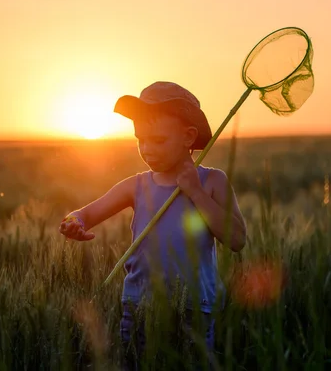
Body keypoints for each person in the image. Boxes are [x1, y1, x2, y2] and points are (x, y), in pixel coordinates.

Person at [59, 81, 247, 369]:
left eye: (157, 140)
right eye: (140, 139)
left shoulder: (212, 182)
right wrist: (74, 222)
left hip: (194, 307)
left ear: (188, 136)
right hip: (138, 304)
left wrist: (195, 192)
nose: (146, 149)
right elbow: (86, 212)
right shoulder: (135, 186)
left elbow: (237, 239)